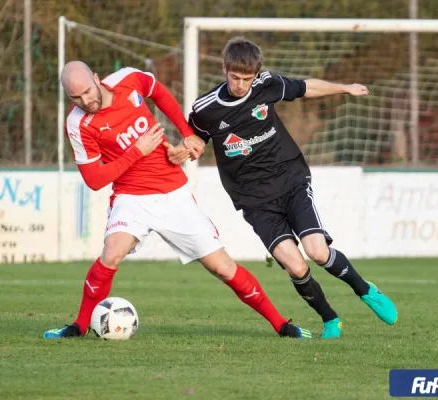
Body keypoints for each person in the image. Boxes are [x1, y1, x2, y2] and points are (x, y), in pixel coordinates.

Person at [43, 61, 312, 340]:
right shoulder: (77, 124)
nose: (86, 101)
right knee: (111, 254)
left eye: (88, 91)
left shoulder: (128, 79)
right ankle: (79, 327)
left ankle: (282, 325)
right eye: (76, 97)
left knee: (223, 268)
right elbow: (95, 180)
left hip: (173, 192)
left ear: (97, 78)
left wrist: (186, 133)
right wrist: (136, 151)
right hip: (131, 196)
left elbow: (159, 93)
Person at [169, 37, 397, 339]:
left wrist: (344, 88)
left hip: (289, 179)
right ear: (224, 69)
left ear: (255, 75)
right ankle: (330, 319)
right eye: (235, 77)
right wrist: (185, 150)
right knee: (295, 265)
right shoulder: (205, 108)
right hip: (253, 199)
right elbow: (196, 140)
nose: (240, 84)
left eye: (246, 79)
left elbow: (306, 87)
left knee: (317, 251)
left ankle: (365, 289)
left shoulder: (266, 84)